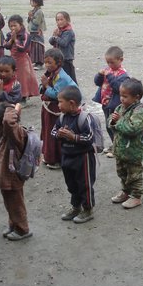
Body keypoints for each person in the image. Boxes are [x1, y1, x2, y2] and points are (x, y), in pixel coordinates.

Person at [51, 85, 96, 223]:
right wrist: (59, 134)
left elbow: (89, 138)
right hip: (67, 156)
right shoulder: (62, 118)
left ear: (71, 103)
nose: (58, 105)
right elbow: (53, 132)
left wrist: (73, 137)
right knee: (71, 184)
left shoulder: (84, 118)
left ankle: (87, 209)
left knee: (85, 185)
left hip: (83, 158)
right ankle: (76, 206)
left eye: (60, 102)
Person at [0, 102, 33, 241]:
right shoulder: (6, 135)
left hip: (14, 176)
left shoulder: (17, 133)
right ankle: (14, 224)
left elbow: (8, 121)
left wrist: (14, 108)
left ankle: (23, 229)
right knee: (10, 202)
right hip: (6, 176)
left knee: (16, 203)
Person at [108, 78, 143, 209]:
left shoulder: (140, 111)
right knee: (122, 172)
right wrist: (113, 122)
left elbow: (133, 129)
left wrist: (119, 121)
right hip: (120, 149)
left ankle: (136, 196)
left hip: (133, 151)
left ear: (136, 97)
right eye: (121, 95)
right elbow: (112, 122)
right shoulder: (120, 107)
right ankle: (126, 191)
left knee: (134, 174)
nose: (121, 99)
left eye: (125, 96)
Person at [39, 48, 78, 169]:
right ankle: (49, 156)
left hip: (58, 108)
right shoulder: (52, 73)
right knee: (47, 131)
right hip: (51, 107)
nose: (46, 65)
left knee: (55, 132)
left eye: (49, 62)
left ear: (59, 62)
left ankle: (57, 159)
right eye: (45, 62)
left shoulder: (61, 77)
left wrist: (45, 85)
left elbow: (57, 94)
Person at [93, 45, 129, 157]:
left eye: (112, 62)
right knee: (109, 126)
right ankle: (115, 144)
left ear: (120, 60)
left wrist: (109, 76)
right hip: (106, 103)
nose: (109, 65)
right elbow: (97, 82)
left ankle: (119, 148)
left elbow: (118, 88)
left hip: (115, 105)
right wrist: (99, 75)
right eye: (108, 62)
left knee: (115, 126)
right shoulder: (108, 70)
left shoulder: (123, 74)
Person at [3, 14, 40, 103]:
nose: (13, 28)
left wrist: (15, 40)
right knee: (13, 78)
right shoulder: (10, 34)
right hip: (12, 60)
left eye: (15, 25)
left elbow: (23, 48)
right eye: (11, 26)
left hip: (22, 61)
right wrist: (11, 40)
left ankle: (23, 98)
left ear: (21, 25)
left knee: (22, 79)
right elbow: (6, 46)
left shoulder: (26, 35)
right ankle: (14, 96)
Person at [49, 11, 76, 83]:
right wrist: (54, 36)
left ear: (67, 20)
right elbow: (51, 42)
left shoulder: (69, 32)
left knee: (68, 76)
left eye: (61, 20)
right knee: (59, 76)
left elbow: (64, 43)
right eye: (57, 20)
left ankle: (72, 91)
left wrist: (56, 37)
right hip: (58, 57)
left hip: (66, 58)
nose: (59, 22)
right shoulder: (59, 30)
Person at [27, 0, 46, 70]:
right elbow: (29, 21)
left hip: (37, 32)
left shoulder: (39, 12)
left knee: (38, 46)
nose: (30, 2)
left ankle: (40, 63)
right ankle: (35, 61)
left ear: (36, 3)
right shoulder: (33, 10)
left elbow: (37, 22)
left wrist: (31, 17)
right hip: (32, 31)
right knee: (33, 46)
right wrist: (29, 17)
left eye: (32, 1)